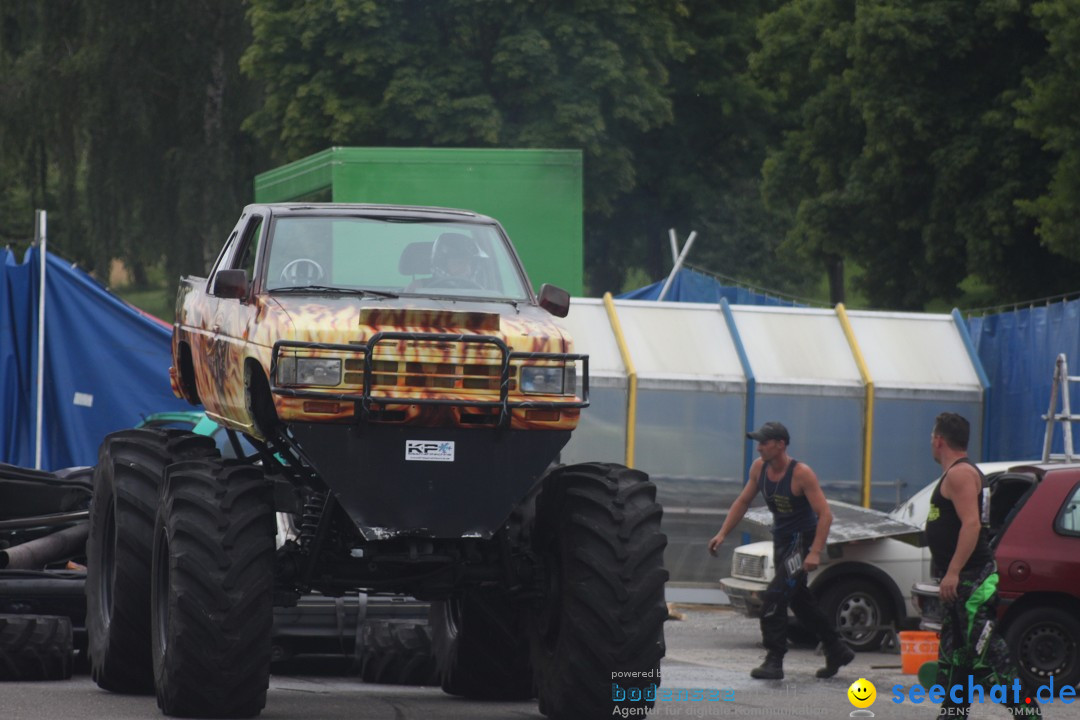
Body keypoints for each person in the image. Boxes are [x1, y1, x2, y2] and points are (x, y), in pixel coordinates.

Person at [708, 421, 854, 680]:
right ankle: (836, 648)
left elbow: (825, 515)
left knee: (774, 597)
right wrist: (722, 533)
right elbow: (742, 501)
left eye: (764, 442)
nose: (759, 448)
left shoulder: (801, 473)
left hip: (801, 540)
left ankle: (774, 660)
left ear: (780, 445)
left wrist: (814, 552)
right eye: (758, 442)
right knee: (799, 600)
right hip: (782, 539)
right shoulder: (759, 469)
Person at [926, 413, 1040, 718]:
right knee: (955, 656)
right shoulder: (959, 473)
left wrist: (952, 572)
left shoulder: (960, 474)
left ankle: (1029, 713)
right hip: (961, 583)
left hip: (971, 580)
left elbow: (972, 525)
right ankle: (952, 713)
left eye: (931, 437)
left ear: (939, 440)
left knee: (988, 654)